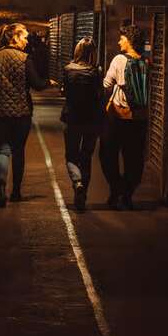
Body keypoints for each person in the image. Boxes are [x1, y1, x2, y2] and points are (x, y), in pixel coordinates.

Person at [0, 23, 57, 207]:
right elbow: (36, 84)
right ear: (15, 38)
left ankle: (1, 189)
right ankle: (16, 191)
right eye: (24, 37)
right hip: (21, 113)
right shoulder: (25, 59)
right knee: (18, 152)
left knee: (2, 150)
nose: (27, 41)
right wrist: (48, 82)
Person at [101, 24, 150, 210]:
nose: (119, 41)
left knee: (107, 155)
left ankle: (116, 188)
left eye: (122, 38)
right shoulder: (146, 61)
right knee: (134, 158)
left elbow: (106, 84)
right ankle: (128, 194)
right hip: (139, 118)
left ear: (129, 41)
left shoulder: (119, 60)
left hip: (117, 116)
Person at [61, 37, 103, 212]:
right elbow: (99, 94)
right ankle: (82, 196)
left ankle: (77, 182)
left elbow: (65, 92)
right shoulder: (96, 71)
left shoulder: (68, 70)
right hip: (91, 120)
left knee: (71, 156)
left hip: (72, 118)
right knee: (86, 157)